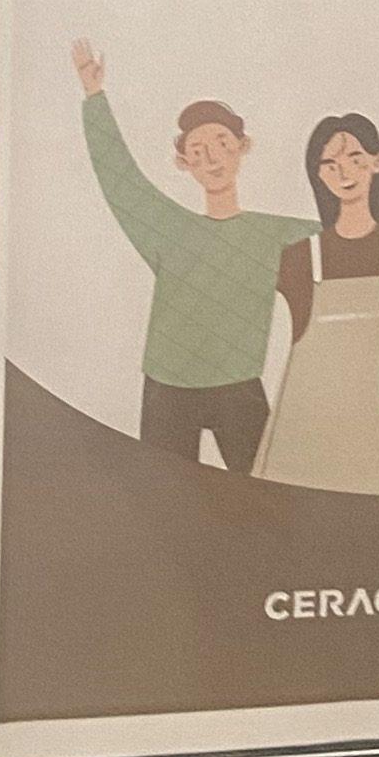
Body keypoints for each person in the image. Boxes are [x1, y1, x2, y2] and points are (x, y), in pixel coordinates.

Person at [72, 44, 308, 470]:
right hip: (168, 388)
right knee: (165, 499)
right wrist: (94, 96)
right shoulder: (168, 229)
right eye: (197, 149)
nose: (211, 157)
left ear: (243, 146)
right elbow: (119, 179)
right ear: (183, 162)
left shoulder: (276, 234)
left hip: (240, 386)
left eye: (222, 142)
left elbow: (347, 241)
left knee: (264, 495)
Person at [261, 112, 379, 496]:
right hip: (311, 423)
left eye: (355, 159)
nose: (344, 172)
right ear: (319, 175)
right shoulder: (298, 257)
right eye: (330, 164)